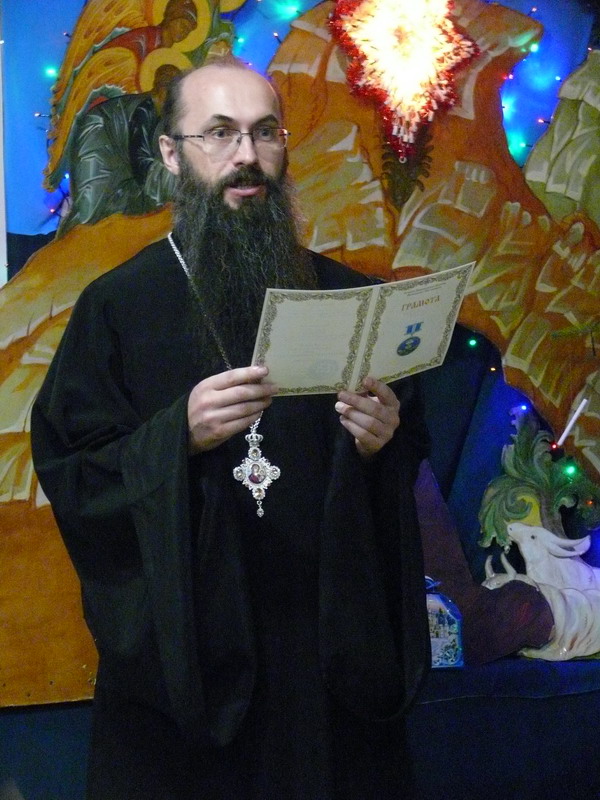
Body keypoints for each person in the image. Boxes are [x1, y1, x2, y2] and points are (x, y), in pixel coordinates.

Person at [31, 54, 431, 799]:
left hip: (325, 659)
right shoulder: (116, 307)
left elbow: (402, 459)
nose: (247, 155)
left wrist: (383, 441)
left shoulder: (347, 296)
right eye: (219, 133)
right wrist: (174, 437)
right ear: (171, 153)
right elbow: (73, 471)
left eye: (264, 132)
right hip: (190, 667)